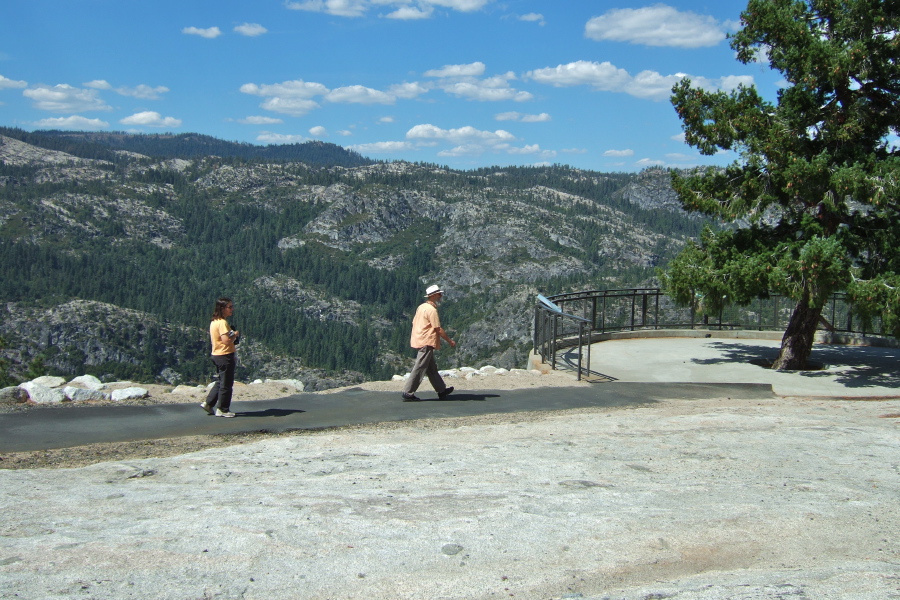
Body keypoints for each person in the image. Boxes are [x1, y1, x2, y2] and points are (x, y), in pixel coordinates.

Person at [402, 284, 456, 401]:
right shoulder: (432, 310)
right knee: (420, 367)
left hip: (420, 339)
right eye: (439, 294)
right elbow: (438, 329)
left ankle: (441, 390)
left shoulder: (421, 307)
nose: (441, 296)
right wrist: (449, 340)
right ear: (434, 295)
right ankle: (408, 392)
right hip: (426, 341)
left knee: (431, 368)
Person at [200, 297, 240, 417]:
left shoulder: (214, 322)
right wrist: (235, 335)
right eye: (229, 307)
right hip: (225, 355)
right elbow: (226, 340)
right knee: (226, 384)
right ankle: (222, 409)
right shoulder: (222, 323)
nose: (232, 309)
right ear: (222, 308)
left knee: (220, 381)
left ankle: (208, 403)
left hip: (216, 354)